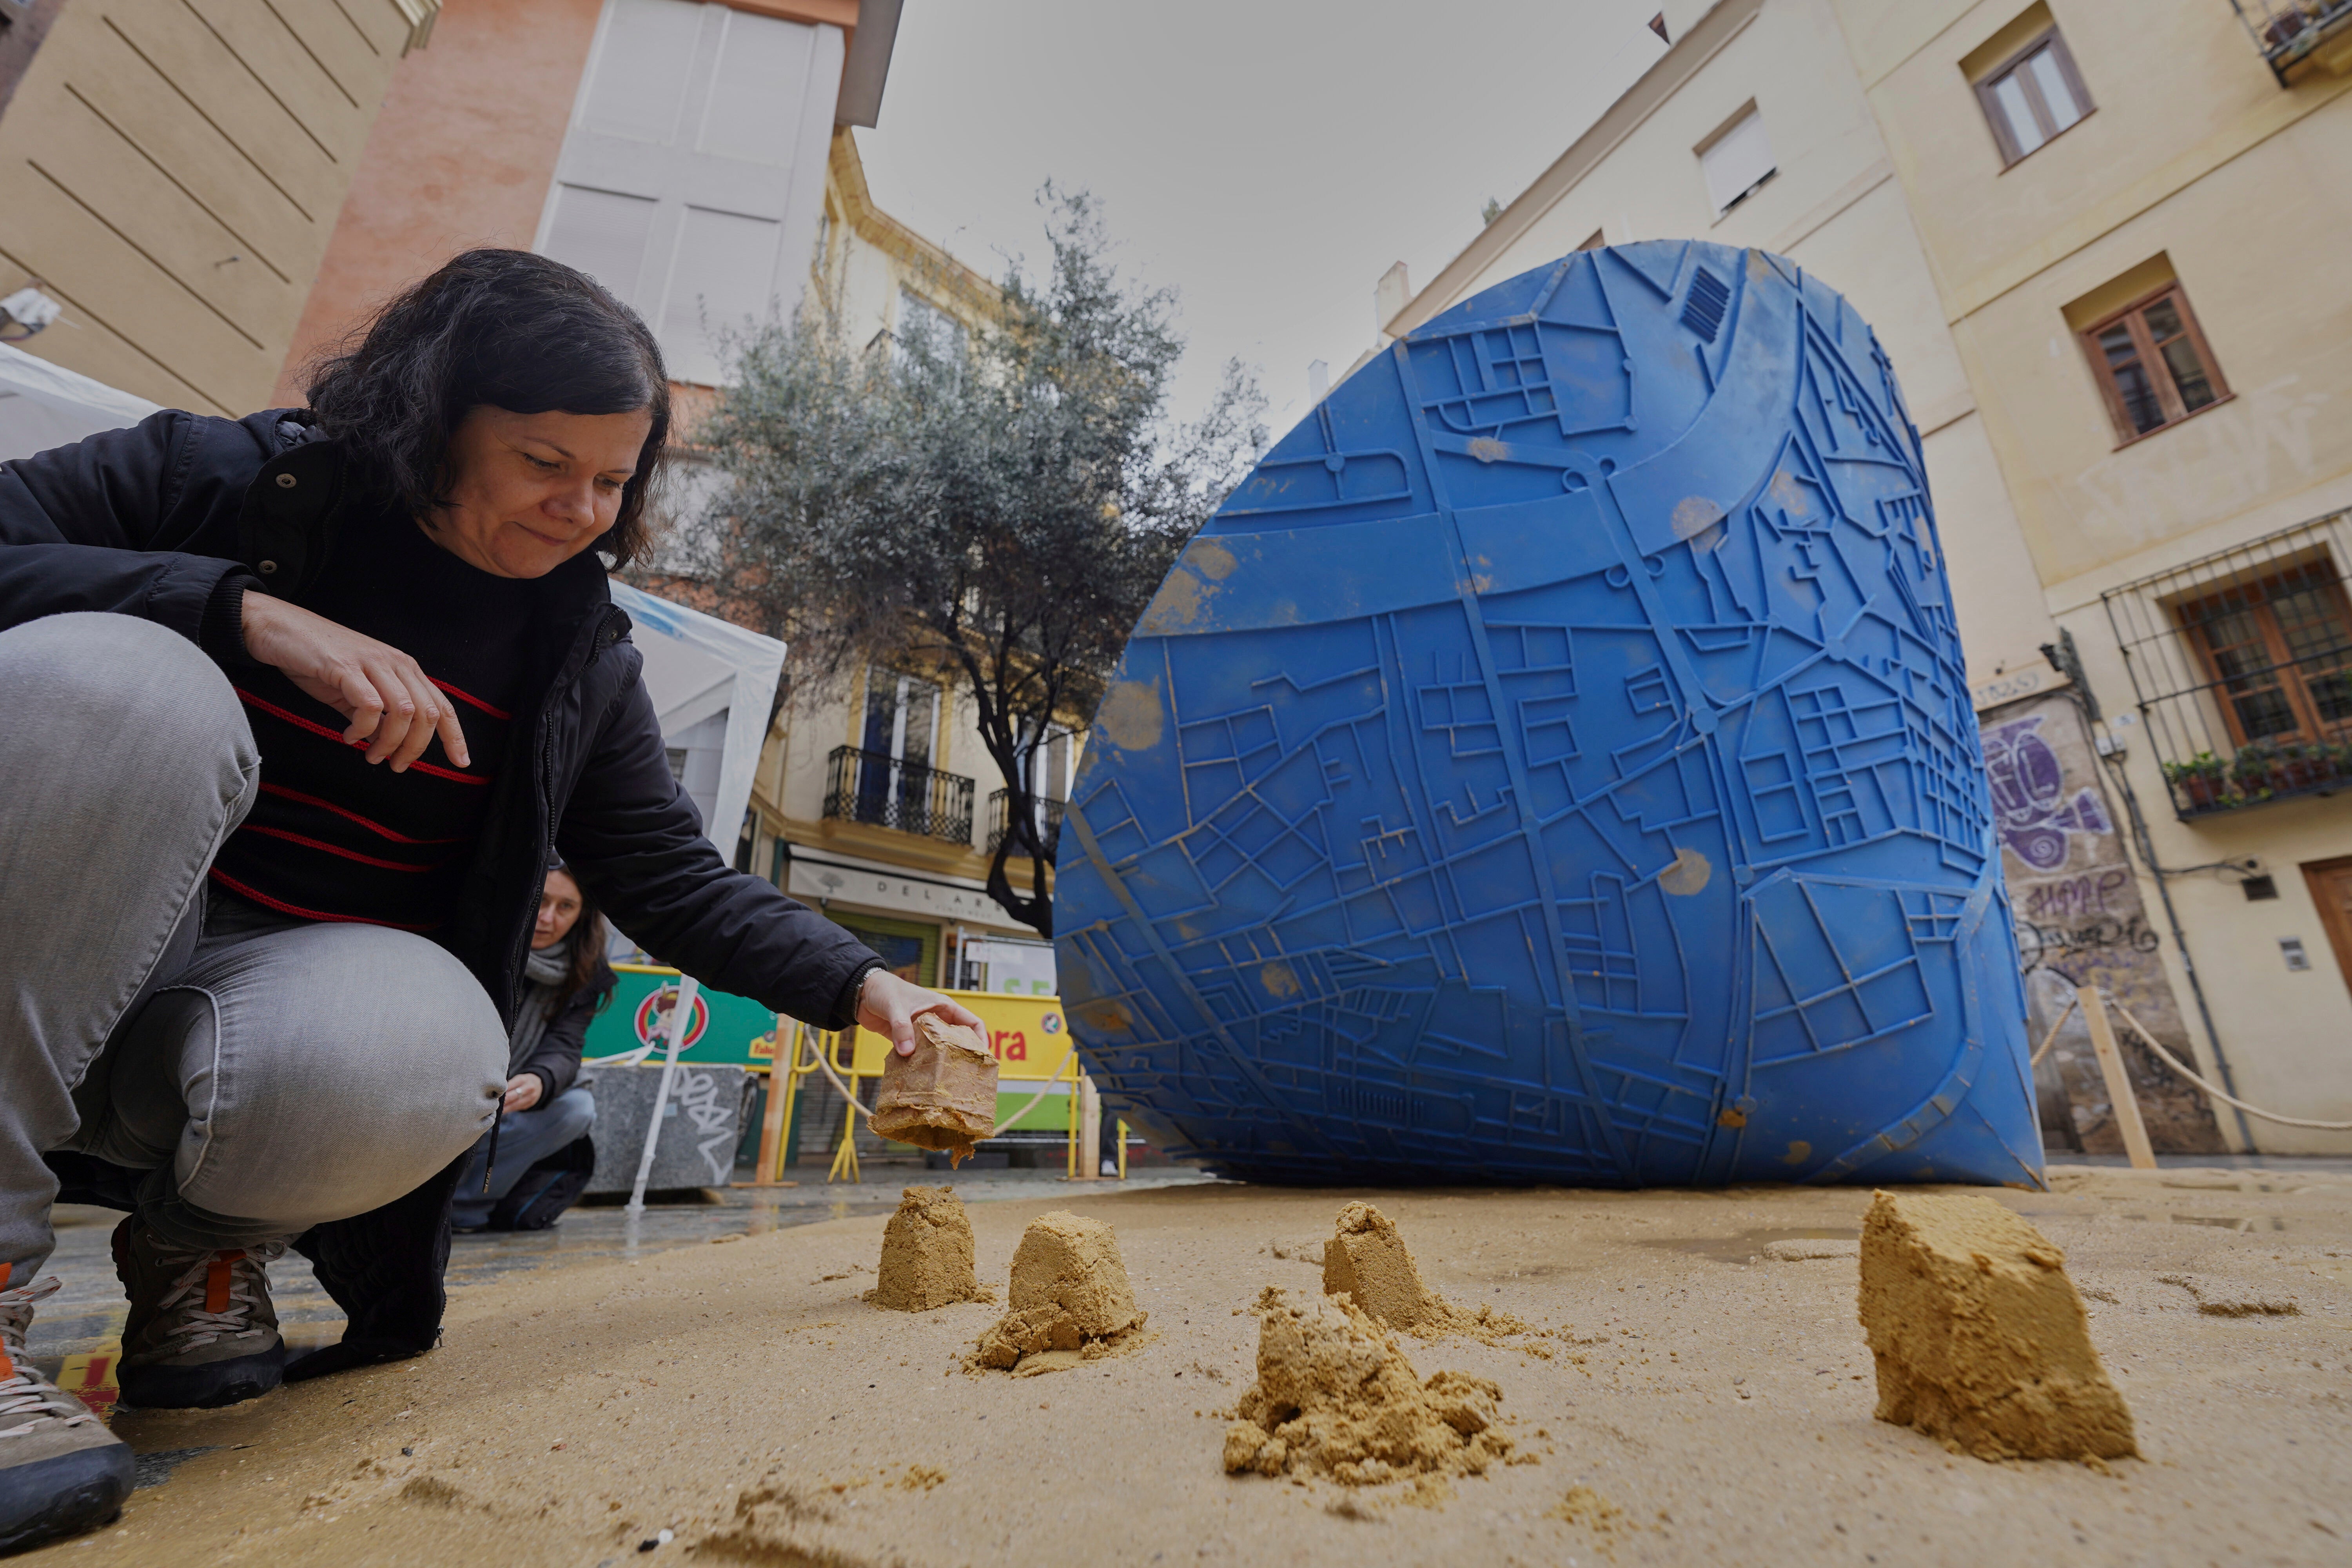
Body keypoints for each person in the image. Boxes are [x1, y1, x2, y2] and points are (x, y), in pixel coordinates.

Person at [0, 248, 981, 1552]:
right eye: (541, 464)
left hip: (236, 1025)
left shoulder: (576, 653)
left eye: (613, 482)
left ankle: (202, 1254)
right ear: (431, 422)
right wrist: (236, 614)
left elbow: (673, 878)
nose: (581, 510)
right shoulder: (226, 480)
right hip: (56, 967)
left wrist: (871, 989)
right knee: (123, 688)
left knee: (437, 1043)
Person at [449, 864, 610, 1232]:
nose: (549, 918)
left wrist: (540, 1079)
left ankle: (463, 1207)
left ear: (582, 915)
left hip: (504, 1096)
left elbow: (566, 1047)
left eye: (566, 907)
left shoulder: (584, 972)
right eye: (542, 901)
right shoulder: (479, 938)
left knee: (577, 1107)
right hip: (447, 1081)